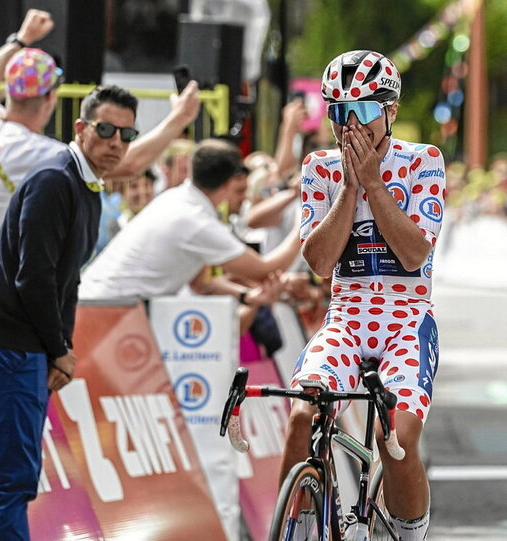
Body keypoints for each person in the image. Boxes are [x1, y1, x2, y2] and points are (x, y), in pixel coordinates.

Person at [282, 49, 445, 540]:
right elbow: (318, 263)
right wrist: (348, 191)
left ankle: (408, 532)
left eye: (365, 111)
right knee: (298, 417)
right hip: (347, 318)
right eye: (338, 112)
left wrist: (374, 183)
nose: (350, 125)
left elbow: (415, 253)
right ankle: (301, 526)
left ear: (390, 112)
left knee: (394, 437)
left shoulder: (423, 161)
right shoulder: (318, 167)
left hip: (406, 319)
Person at [0, 84, 140, 541]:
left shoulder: (86, 186)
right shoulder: (56, 180)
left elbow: (65, 280)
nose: (116, 142)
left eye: (127, 135)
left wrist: (61, 347)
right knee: (12, 479)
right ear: (81, 127)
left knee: (11, 476)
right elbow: (34, 278)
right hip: (8, 343)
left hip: (20, 343)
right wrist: (57, 350)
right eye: (107, 129)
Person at [0, 9, 202, 259]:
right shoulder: (31, 152)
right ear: (50, 98)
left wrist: (21, 39)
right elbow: (128, 163)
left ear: (10, 92)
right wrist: (180, 118)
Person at [79, 138, 301, 303]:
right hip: (107, 309)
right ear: (230, 182)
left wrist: (246, 297)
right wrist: (307, 222)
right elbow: (265, 270)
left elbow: (201, 283)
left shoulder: (178, 201)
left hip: (102, 304)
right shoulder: (196, 221)